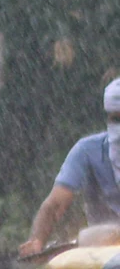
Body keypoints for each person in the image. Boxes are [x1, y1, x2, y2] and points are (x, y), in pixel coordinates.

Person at [18, 77, 120, 258]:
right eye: (116, 119)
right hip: (102, 251)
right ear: (108, 119)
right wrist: (38, 240)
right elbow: (56, 203)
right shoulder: (88, 151)